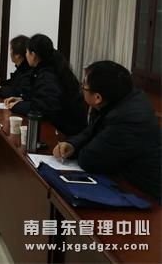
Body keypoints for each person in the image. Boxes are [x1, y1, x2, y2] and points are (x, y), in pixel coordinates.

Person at [53, 61, 160, 201]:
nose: (81, 88)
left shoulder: (128, 119)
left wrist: (78, 150)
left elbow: (90, 160)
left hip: (145, 193)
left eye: (84, 86)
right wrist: (72, 144)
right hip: (125, 181)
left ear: (97, 97)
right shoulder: (117, 99)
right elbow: (91, 131)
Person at [5, 34, 85, 136]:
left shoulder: (48, 75)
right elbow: (40, 98)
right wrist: (22, 99)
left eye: (27, 52)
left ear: (33, 55)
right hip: (63, 126)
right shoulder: (47, 69)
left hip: (64, 132)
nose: (26, 55)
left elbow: (44, 109)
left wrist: (17, 106)